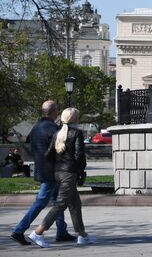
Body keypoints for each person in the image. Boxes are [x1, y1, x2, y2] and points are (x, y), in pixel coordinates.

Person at [10, 101, 75, 246]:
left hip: (42, 169)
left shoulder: (36, 128)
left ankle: (61, 232)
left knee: (59, 202)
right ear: (53, 111)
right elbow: (60, 150)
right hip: (52, 172)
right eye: (58, 109)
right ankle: (18, 231)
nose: (58, 112)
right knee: (41, 202)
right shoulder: (53, 128)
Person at [28, 107, 95, 248]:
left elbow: (48, 154)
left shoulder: (57, 133)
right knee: (61, 204)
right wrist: (79, 169)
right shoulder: (76, 133)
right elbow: (79, 156)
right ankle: (38, 232)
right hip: (69, 174)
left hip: (58, 173)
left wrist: (59, 164)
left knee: (75, 204)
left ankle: (82, 235)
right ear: (75, 119)